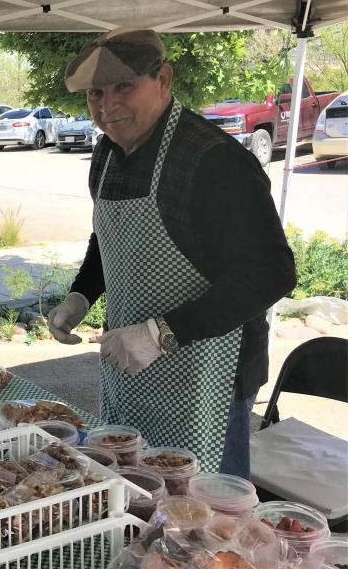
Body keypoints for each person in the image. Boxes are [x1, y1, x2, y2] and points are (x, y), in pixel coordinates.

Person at [48, 27, 296, 478]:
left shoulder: (214, 159)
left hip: (208, 374)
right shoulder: (106, 153)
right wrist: (82, 294)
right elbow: (109, 236)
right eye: (95, 94)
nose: (108, 107)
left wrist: (159, 335)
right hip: (129, 364)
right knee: (138, 492)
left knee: (204, 515)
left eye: (125, 87)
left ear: (163, 79)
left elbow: (271, 272)